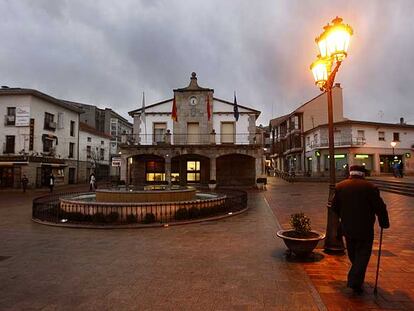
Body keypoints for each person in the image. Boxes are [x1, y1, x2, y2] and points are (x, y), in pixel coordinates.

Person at [331, 165, 389, 295]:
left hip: (347, 227)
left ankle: (357, 279)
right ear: (363, 175)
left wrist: (343, 214)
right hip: (365, 227)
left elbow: (334, 207)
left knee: (353, 254)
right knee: (362, 254)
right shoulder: (370, 187)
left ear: (350, 174)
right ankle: (355, 280)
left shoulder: (340, 186)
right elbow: (380, 207)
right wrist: (384, 222)